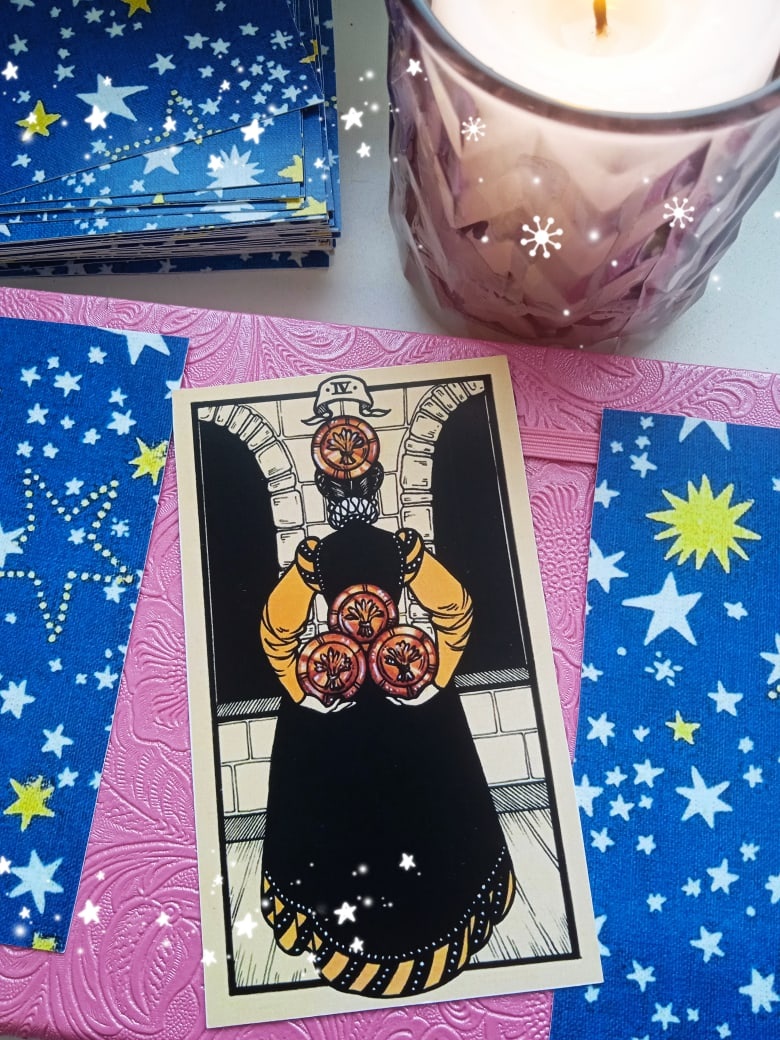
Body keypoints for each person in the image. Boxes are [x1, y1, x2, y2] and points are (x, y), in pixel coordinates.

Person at [259, 416, 514, 998]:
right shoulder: (401, 551)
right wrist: (434, 679)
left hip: (342, 702)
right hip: (403, 697)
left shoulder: (317, 558)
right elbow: (456, 612)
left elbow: (277, 633)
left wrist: (303, 692)